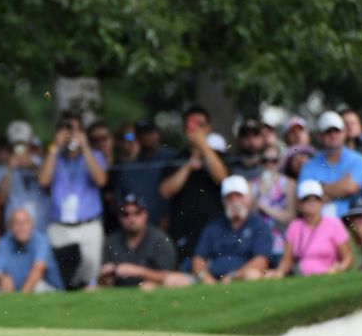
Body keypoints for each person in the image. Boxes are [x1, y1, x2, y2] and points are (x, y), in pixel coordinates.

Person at [39, 111, 107, 288]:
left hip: (88, 226)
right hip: (60, 227)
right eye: (67, 128)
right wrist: (55, 146)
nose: (71, 132)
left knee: (90, 278)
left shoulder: (95, 155)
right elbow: (43, 180)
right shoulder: (54, 157)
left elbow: (100, 180)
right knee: (61, 279)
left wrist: (84, 147)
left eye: (76, 129)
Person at [166, 175, 272, 285]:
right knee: (172, 280)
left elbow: (261, 261)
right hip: (212, 278)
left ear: (247, 198)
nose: (234, 202)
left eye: (239, 196)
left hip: (241, 277)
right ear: (223, 201)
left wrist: (233, 276)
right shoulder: (213, 226)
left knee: (252, 275)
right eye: (229, 198)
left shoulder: (259, 225)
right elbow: (198, 258)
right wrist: (205, 277)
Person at [159, 106, 228, 268]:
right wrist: (189, 165)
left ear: (209, 128)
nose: (195, 129)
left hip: (215, 230)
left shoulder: (220, 156)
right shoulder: (176, 159)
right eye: (191, 125)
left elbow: (223, 178)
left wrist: (203, 147)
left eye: (200, 125)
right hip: (184, 232)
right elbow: (165, 191)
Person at [266, 180, 352, 278]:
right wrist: (279, 272)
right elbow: (287, 260)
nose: (312, 202)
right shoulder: (294, 226)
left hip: (328, 276)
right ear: (300, 205)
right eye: (306, 199)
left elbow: (347, 258)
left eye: (316, 199)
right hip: (301, 277)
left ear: (321, 202)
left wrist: (339, 268)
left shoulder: (334, 224)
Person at [98, 194, 177, 290]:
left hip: (150, 286)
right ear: (119, 217)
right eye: (125, 214)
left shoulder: (160, 240)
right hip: (120, 290)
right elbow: (102, 283)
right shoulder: (111, 241)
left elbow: (168, 276)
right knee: (90, 289)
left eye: (137, 213)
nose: (131, 218)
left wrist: (138, 271)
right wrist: (106, 274)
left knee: (147, 287)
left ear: (145, 215)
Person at [298, 111, 362, 218]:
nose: (333, 135)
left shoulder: (358, 160)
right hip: (317, 227)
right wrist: (341, 185)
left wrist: (319, 188)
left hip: (352, 225)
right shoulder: (309, 166)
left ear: (344, 132)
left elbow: (349, 187)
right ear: (319, 135)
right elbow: (306, 199)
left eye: (337, 130)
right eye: (328, 131)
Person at [0, 208, 64, 294]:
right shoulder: (4, 242)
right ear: (9, 226)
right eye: (17, 223)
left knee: (38, 287)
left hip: (49, 289)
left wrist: (21, 297)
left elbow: (38, 270)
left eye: (25, 222)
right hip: (15, 290)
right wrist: (1, 278)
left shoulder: (41, 241)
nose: (21, 226)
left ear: (32, 224)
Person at [0, 120, 50, 235]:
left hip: (42, 228)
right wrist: (9, 168)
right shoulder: (3, 168)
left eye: (23, 144)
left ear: (30, 144)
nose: (20, 148)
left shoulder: (42, 164)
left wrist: (32, 166)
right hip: (14, 230)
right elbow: (1, 198)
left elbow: (47, 183)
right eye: (16, 144)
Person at [250, 144, 297, 266]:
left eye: (274, 161)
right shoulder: (251, 185)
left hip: (280, 241)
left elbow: (290, 217)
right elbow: (249, 217)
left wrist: (264, 207)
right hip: (256, 241)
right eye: (265, 161)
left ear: (279, 162)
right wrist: (259, 195)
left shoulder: (289, 184)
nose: (269, 164)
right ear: (260, 162)